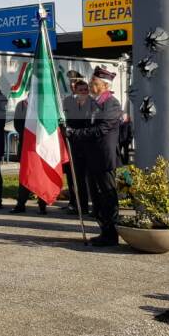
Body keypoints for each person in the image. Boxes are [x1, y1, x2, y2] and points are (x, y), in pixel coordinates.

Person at [66, 66, 122, 247]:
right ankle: (103, 231)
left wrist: (74, 133)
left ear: (105, 85)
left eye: (94, 82)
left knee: (108, 197)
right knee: (97, 199)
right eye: (91, 82)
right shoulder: (94, 102)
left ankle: (111, 235)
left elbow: (101, 129)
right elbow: (84, 123)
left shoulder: (111, 103)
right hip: (92, 158)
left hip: (105, 159)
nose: (90, 85)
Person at [11, 97, 48, 215]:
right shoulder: (22, 105)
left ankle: (42, 205)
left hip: (42, 145)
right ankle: (21, 204)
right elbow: (17, 125)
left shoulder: (45, 104)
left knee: (42, 175)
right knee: (26, 174)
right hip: (26, 144)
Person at [62, 79, 92, 214]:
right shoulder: (69, 102)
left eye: (86, 89)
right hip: (74, 145)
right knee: (75, 177)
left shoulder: (93, 103)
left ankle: (91, 206)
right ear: (75, 91)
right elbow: (68, 120)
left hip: (88, 145)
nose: (84, 92)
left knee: (89, 178)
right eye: (81, 90)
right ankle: (77, 204)